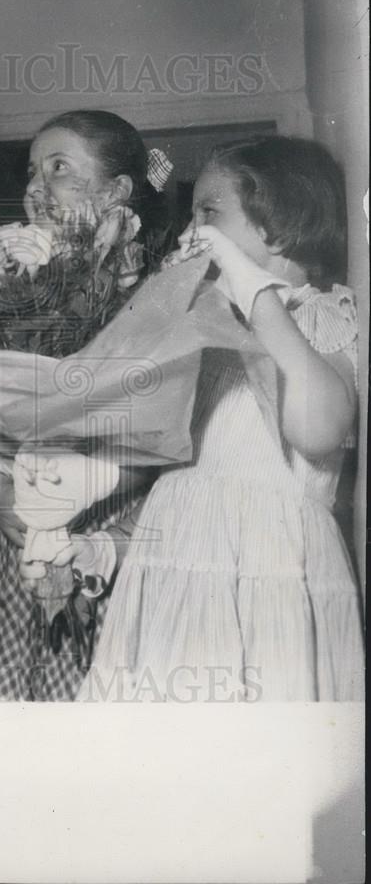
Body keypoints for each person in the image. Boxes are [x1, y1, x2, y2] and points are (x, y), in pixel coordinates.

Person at [78, 135, 365, 702]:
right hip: (176, 576)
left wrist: (252, 291)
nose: (190, 232)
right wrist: (105, 548)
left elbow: (317, 430)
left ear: (280, 225)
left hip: (270, 568)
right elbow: (188, 484)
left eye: (209, 212)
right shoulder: (206, 329)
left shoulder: (325, 317)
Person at [0, 110, 171, 700]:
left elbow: (161, 443)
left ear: (116, 191)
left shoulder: (161, 301)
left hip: (108, 541)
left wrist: (72, 548)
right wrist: (24, 529)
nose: (36, 187)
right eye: (32, 171)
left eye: (59, 168)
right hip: (4, 540)